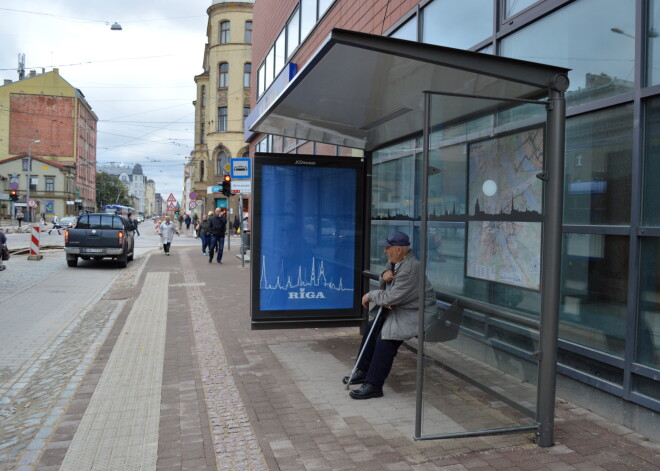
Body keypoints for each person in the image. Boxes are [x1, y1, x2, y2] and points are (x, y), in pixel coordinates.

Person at [344, 231, 437, 400]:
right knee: (372, 328)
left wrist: (370, 295)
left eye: (388, 248)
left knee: (386, 338)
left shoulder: (410, 268)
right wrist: (384, 274)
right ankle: (363, 371)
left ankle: (374, 385)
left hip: (416, 313)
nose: (385, 251)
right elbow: (390, 280)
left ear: (399, 250)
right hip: (402, 309)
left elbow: (391, 297)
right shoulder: (397, 261)